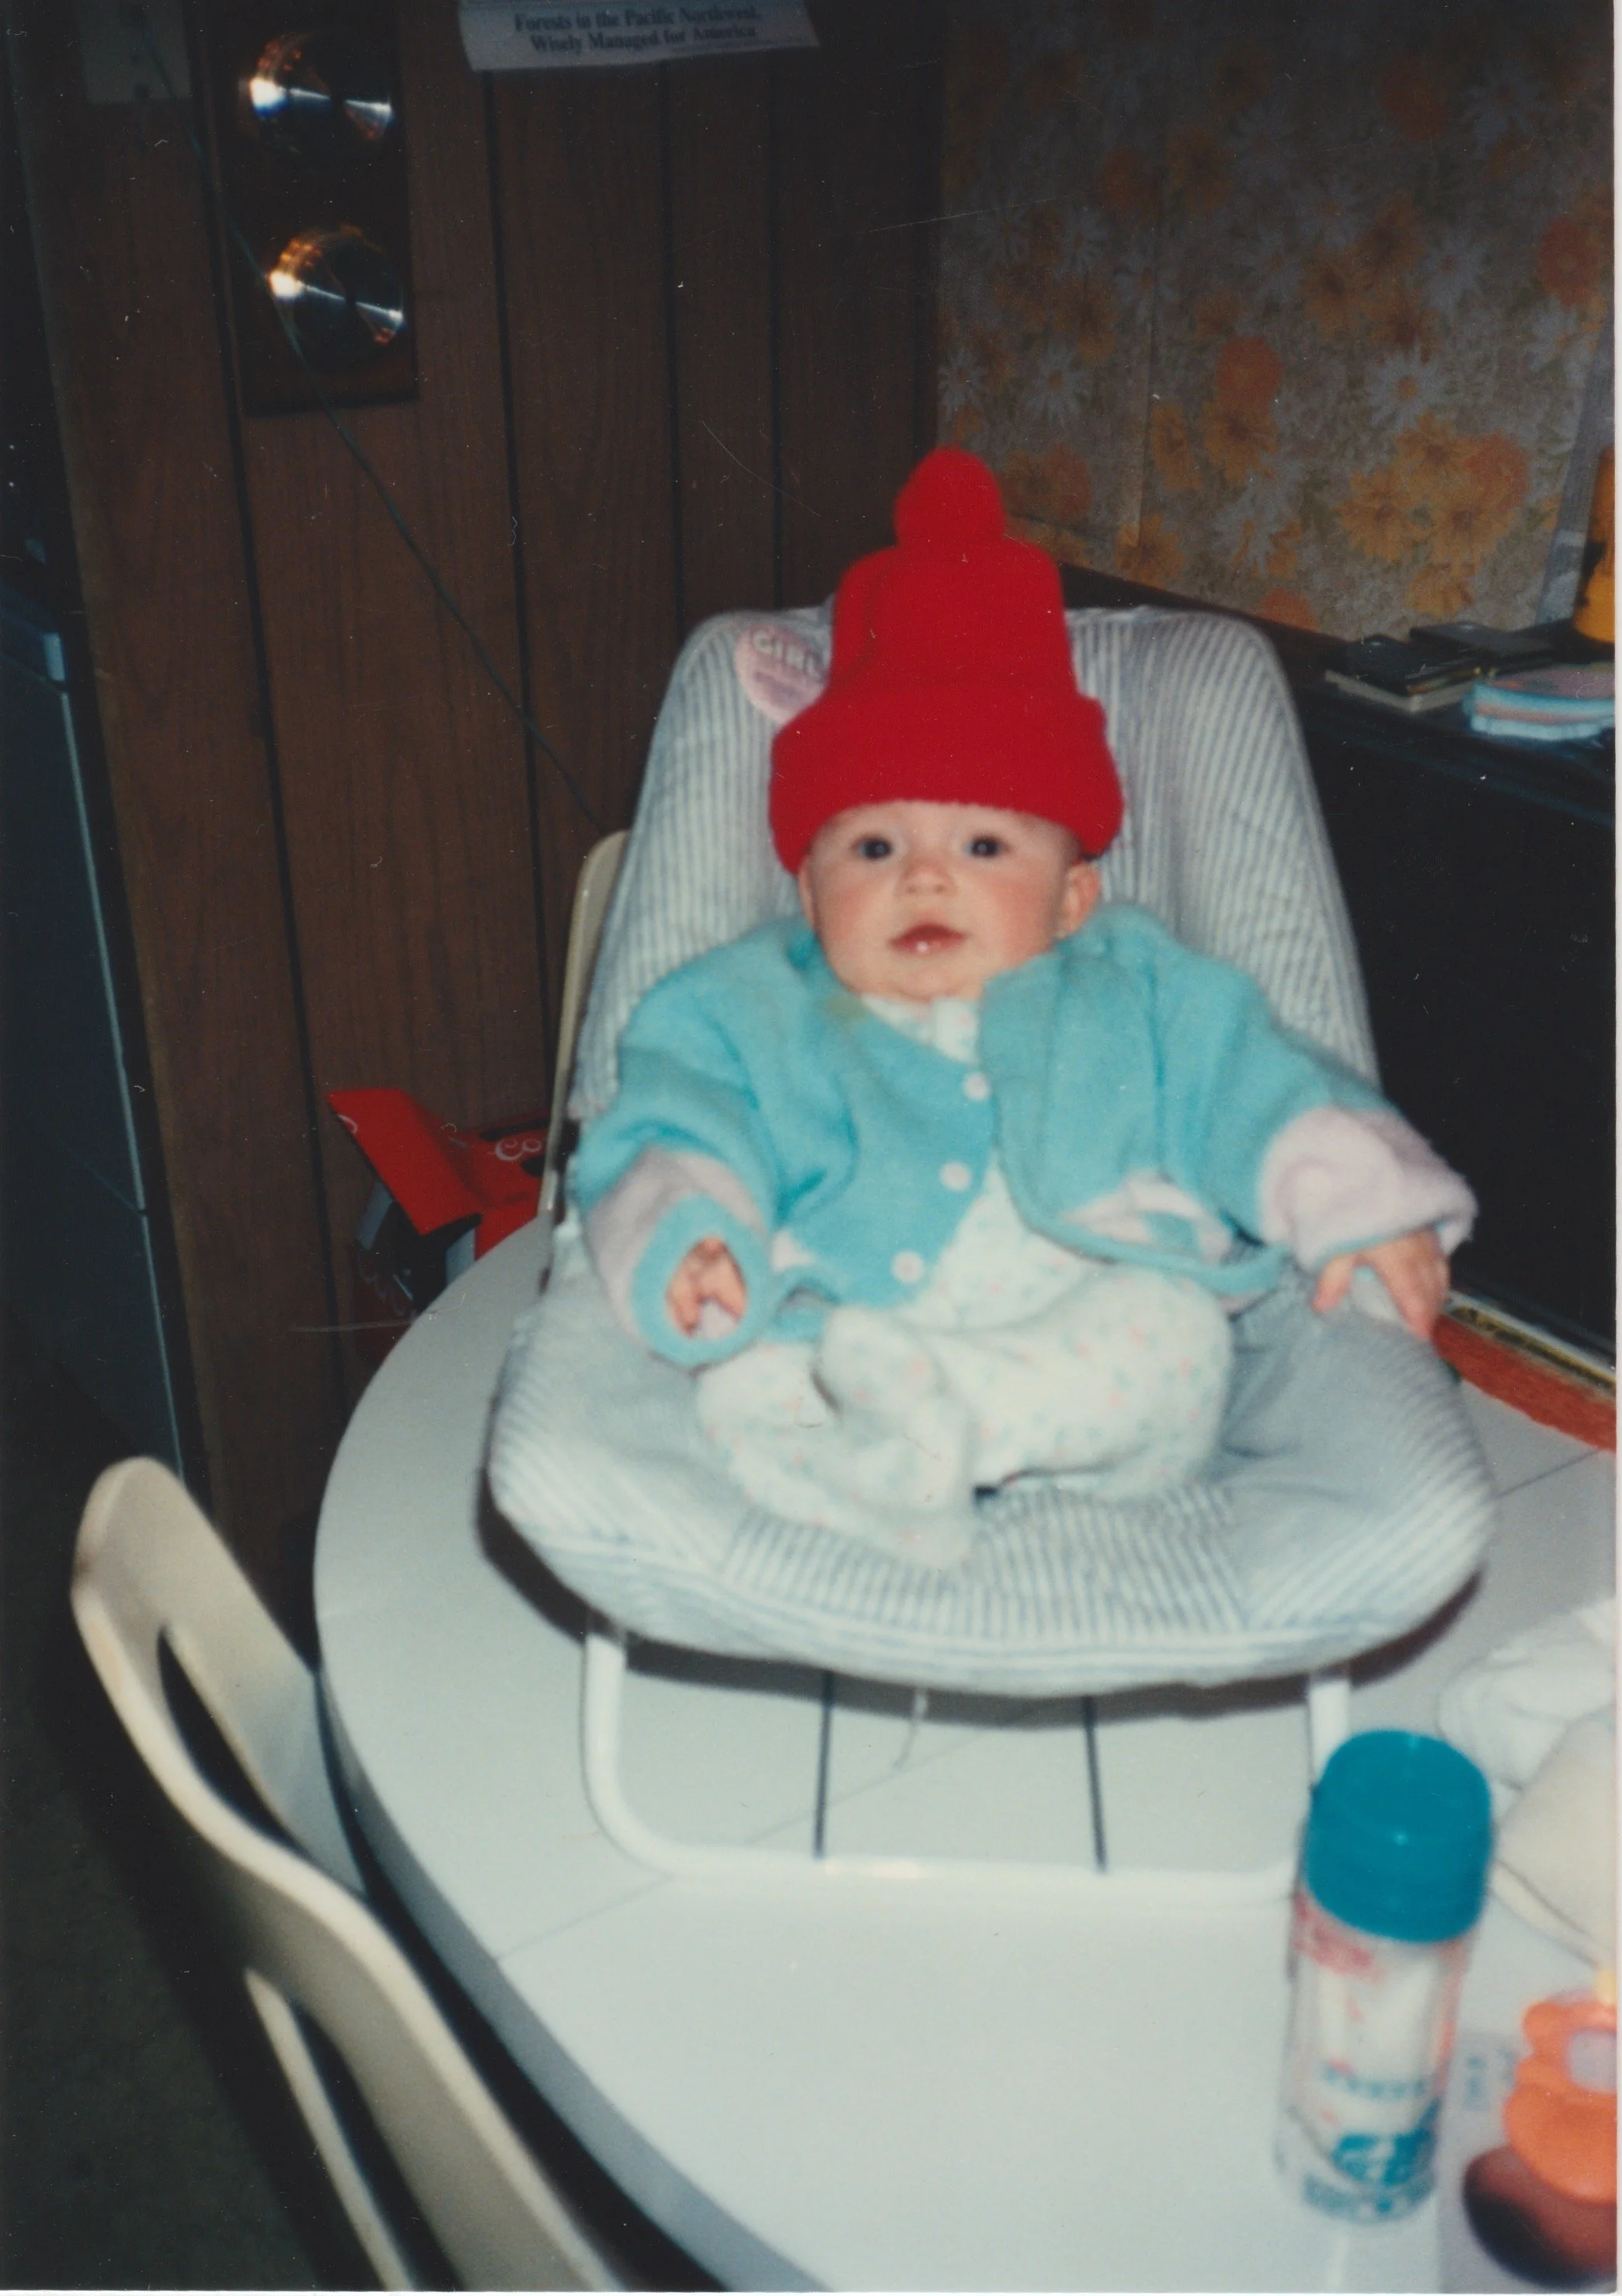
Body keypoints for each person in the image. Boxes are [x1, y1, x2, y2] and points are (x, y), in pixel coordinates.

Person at [573, 448, 1474, 1567]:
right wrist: (693, 1236)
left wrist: (1364, 1202)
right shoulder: (754, 1002)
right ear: (807, 893)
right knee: (742, 1375)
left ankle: (940, 1437)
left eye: (985, 846)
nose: (924, 877)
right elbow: (673, 1124)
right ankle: (883, 1456)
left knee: (1177, 1341)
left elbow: (1261, 1082)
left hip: (1083, 1317)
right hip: (845, 1316)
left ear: (1072, 899)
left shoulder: (1135, 985)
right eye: (873, 847)